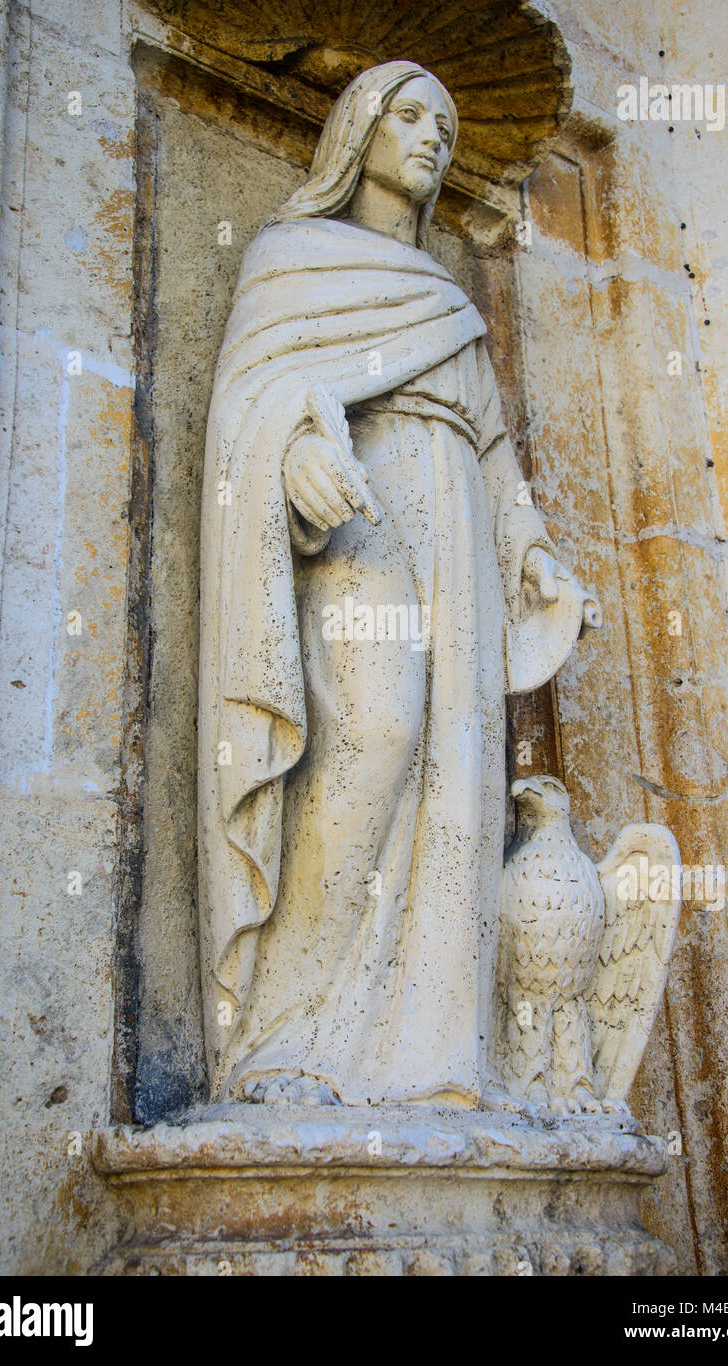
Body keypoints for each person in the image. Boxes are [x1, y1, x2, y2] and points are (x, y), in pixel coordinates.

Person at [198, 59, 588, 1108]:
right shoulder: (293, 259)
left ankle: (432, 1054)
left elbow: (496, 452)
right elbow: (250, 397)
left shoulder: (454, 307)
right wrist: (287, 453)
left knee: (455, 769)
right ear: (360, 129)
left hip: (456, 526)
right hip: (363, 519)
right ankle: (283, 1033)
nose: (432, 139)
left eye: (448, 130)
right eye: (410, 116)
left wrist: (531, 549)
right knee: (372, 739)